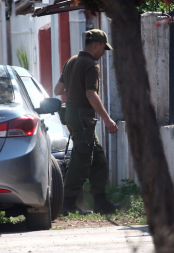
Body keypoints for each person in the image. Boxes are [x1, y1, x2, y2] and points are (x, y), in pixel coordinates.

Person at [54, 29, 118, 215]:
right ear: (96, 45)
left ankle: (101, 201)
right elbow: (91, 94)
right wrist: (107, 119)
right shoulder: (91, 65)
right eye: (103, 49)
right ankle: (66, 203)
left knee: (97, 157)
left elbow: (58, 90)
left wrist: (73, 82)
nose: (103, 53)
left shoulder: (71, 61)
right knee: (81, 159)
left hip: (73, 115)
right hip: (83, 117)